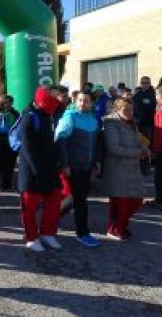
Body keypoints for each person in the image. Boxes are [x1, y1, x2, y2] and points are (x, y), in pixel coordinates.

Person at [18, 86, 62, 252]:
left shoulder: (48, 116)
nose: (56, 97)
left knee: (54, 201)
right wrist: (38, 171)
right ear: (43, 97)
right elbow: (28, 149)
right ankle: (31, 237)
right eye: (52, 94)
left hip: (49, 168)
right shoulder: (29, 117)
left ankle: (48, 233)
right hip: (31, 171)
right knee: (29, 206)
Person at [55, 91, 100, 248]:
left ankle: (48, 223)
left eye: (86, 101)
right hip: (73, 166)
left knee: (78, 198)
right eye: (79, 100)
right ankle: (82, 232)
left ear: (92, 103)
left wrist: (95, 162)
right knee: (78, 199)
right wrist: (64, 164)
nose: (82, 103)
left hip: (87, 166)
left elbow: (94, 145)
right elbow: (60, 141)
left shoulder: (93, 119)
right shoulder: (70, 116)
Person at [102, 98, 148, 240]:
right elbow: (114, 148)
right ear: (117, 110)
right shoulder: (111, 123)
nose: (129, 112)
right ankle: (115, 229)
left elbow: (136, 141)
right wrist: (138, 153)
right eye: (125, 110)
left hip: (132, 168)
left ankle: (122, 225)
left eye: (131, 109)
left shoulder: (132, 122)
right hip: (117, 168)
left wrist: (144, 149)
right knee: (120, 202)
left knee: (136, 200)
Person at [133, 76, 157, 146]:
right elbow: (134, 107)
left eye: (147, 83)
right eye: (143, 83)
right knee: (139, 142)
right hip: (138, 123)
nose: (145, 84)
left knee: (148, 142)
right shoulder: (137, 94)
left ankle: (148, 155)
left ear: (149, 84)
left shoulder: (153, 94)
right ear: (140, 83)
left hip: (149, 123)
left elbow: (154, 107)